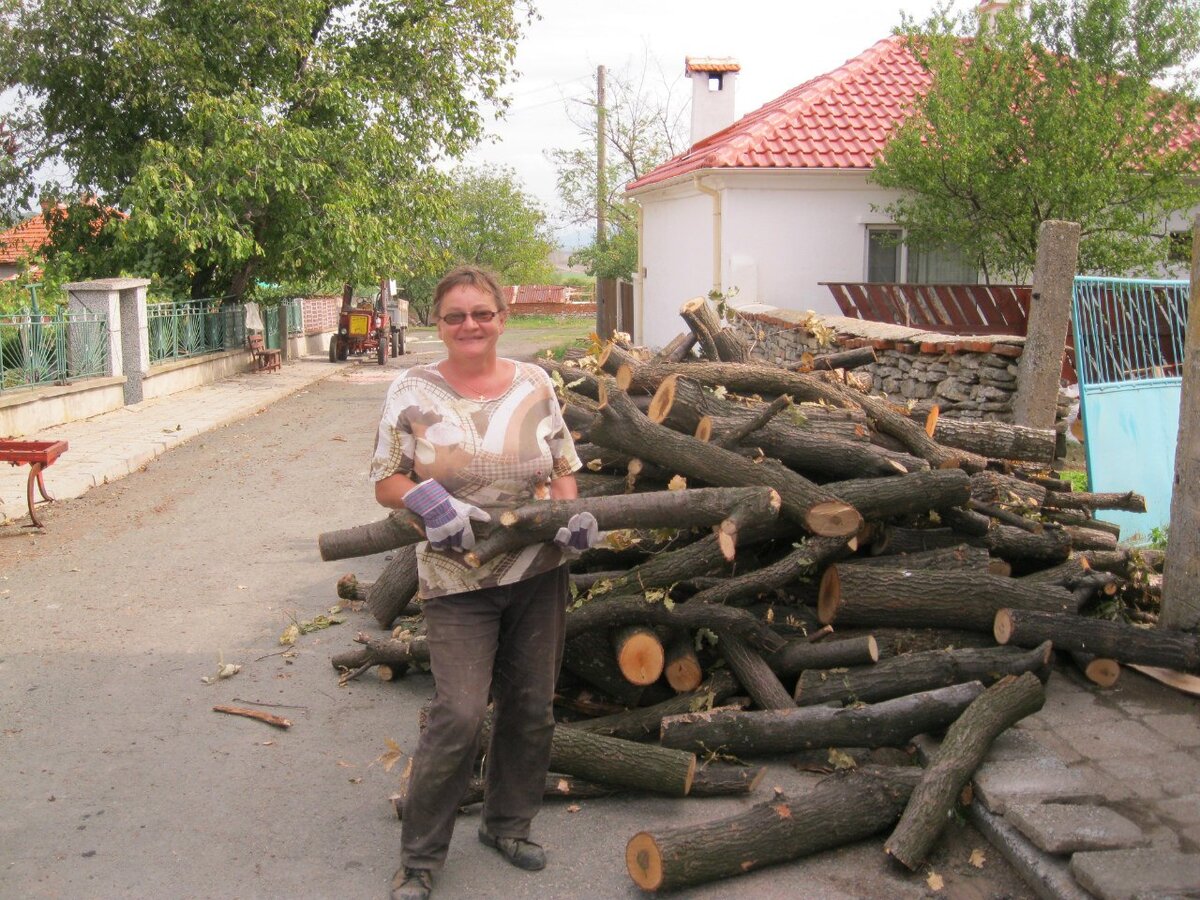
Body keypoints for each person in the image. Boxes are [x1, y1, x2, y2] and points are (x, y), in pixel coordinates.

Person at [369, 265, 599, 900]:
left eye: (481, 313)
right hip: (457, 578)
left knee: (530, 706)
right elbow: (387, 479)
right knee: (459, 714)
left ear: (502, 316)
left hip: (536, 573)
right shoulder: (411, 390)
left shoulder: (535, 382)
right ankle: (420, 857)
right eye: (454, 316)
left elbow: (561, 466)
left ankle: (508, 824)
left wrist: (565, 513)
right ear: (437, 324)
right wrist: (427, 502)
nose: (469, 325)